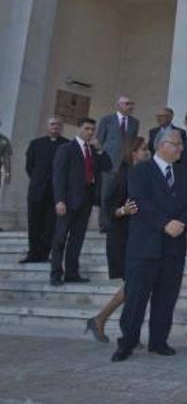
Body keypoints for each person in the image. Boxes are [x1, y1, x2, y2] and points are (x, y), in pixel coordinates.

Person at [112, 128, 187, 362]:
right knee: (136, 297)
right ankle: (127, 342)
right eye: (176, 144)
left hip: (173, 248)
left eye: (181, 144)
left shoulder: (185, 175)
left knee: (166, 297)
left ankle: (159, 341)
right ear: (161, 145)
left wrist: (181, 222)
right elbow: (139, 201)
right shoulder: (140, 171)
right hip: (145, 247)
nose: (181, 148)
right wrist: (165, 223)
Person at [86, 136, 150, 343]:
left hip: (135, 237)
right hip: (121, 238)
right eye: (143, 149)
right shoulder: (123, 176)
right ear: (133, 153)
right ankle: (115, 326)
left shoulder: (141, 175)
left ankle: (102, 320)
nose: (146, 152)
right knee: (133, 284)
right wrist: (123, 210)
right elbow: (108, 205)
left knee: (134, 285)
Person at [51, 117, 112, 286]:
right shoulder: (66, 149)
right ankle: (56, 273)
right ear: (79, 128)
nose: (90, 132)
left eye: (92, 130)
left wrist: (101, 151)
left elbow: (108, 166)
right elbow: (59, 176)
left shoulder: (93, 151)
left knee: (77, 238)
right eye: (87, 128)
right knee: (60, 237)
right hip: (68, 200)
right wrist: (59, 200)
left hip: (86, 199)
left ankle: (72, 272)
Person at [22, 117, 68, 263]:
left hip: (56, 192)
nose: (55, 126)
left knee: (50, 224)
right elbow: (30, 166)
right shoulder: (36, 144)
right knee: (34, 222)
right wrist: (38, 180)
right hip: (37, 190)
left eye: (58, 124)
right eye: (52, 124)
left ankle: (44, 254)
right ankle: (33, 253)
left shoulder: (67, 144)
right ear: (47, 126)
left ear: (62, 128)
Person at [96, 96, 139, 231]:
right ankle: (104, 223)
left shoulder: (134, 122)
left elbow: (133, 143)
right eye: (127, 104)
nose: (130, 106)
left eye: (131, 104)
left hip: (126, 164)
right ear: (118, 105)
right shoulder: (107, 120)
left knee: (122, 193)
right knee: (106, 194)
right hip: (109, 163)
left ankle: (118, 220)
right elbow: (100, 141)